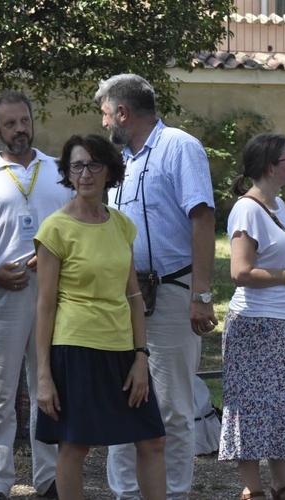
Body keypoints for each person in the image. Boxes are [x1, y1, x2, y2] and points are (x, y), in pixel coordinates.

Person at [96, 73, 217, 500]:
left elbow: (202, 218)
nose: (104, 123)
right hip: (119, 300)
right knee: (120, 402)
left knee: (173, 407)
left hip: (170, 294)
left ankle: (175, 494)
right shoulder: (119, 162)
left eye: (106, 113)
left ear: (123, 113)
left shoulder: (179, 147)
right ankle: (127, 494)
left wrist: (201, 295)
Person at [34, 134, 167, 500]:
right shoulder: (55, 229)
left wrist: (141, 356)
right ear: (67, 173)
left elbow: (134, 297)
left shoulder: (121, 225)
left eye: (94, 164)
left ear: (109, 171)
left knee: (153, 440)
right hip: (75, 348)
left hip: (122, 349)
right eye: (77, 165)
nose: (85, 173)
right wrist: (44, 375)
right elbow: (44, 306)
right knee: (74, 447)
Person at [0, 90, 70, 500]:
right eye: (11, 124)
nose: (21, 129)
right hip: (2, 295)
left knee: (51, 387)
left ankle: (50, 479)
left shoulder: (60, 170)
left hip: (55, 294)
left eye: (25, 120)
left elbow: (76, 229)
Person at [218, 133, 285, 500]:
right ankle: (253, 489)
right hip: (256, 324)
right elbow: (240, 272)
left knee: (279, 405)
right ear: (270, 167)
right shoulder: (247, 209)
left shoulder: (277, 205)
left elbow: (277, 259)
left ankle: (283, 485)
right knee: (250, 406)